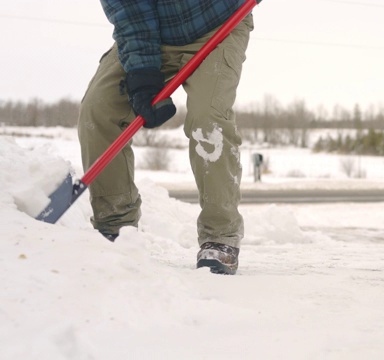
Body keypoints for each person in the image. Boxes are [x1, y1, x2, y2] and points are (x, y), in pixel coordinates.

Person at [78, 0, 254, 275]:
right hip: (152, 33)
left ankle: (220, 237)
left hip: (218, 21)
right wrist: (143, 73)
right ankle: (114, 227)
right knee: (98, 109)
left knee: (208, 119)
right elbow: (129, 12)